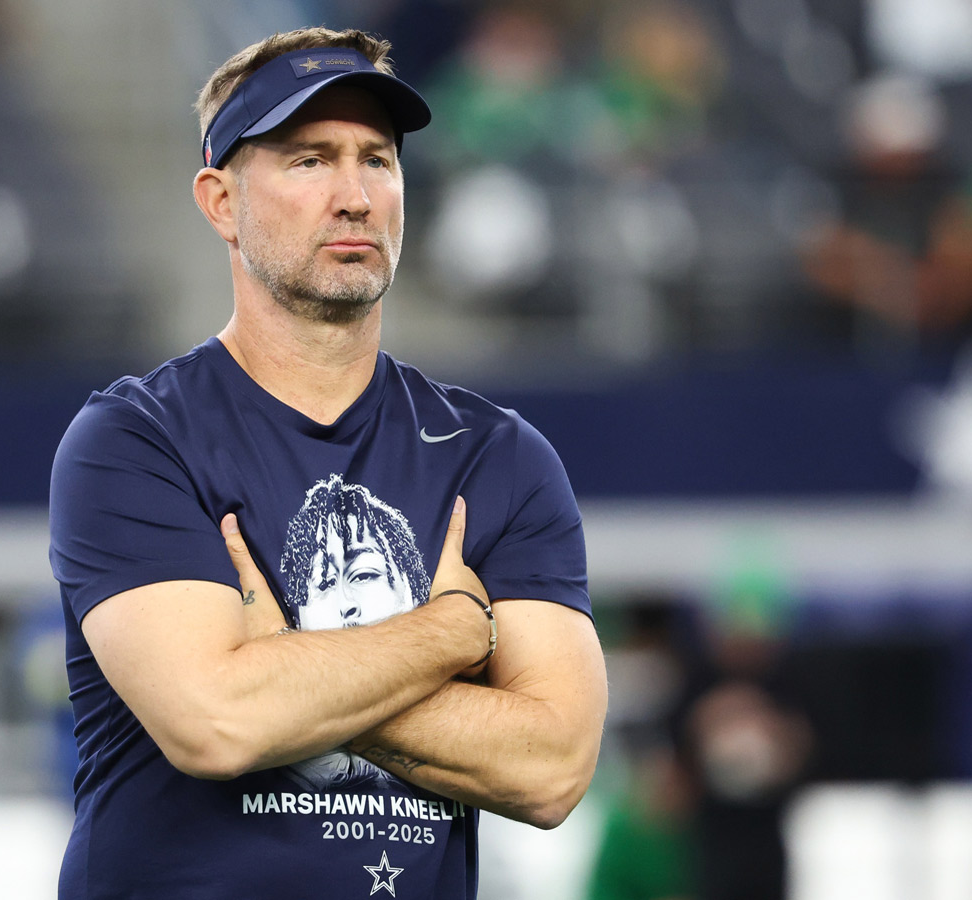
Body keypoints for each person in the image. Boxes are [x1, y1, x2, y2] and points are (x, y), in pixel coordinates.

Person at [47, 27, 607, 899]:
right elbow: (218, 722)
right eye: (309, 161)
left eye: (376, 160)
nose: (354, 196)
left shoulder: (499, 457)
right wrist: (454, 633)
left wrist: (294, 666)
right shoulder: (136, 439)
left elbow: (553, 767)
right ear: (220, 200)